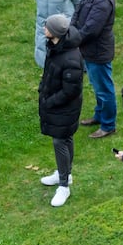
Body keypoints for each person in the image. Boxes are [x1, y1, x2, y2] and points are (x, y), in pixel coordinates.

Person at [37, 13, 83, 208]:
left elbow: (71, 90)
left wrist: (50, 101)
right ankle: (65, 174)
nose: (43, 29)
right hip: (57, 105)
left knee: (60, 141)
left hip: (64, 108)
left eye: (47, 26)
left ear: (55, 32)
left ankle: (64, 185)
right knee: (65, 139)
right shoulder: (56, 46)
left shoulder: (70, 57)